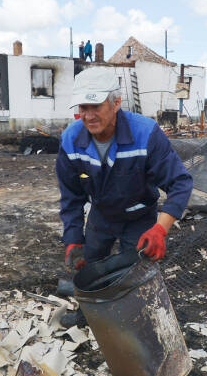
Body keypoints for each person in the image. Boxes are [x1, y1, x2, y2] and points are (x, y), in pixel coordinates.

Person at [56, 67, 192, 326]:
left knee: (136, 273)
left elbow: (180, 183)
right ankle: (90, 317)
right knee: (91, 269)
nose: (88, 115)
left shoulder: (146, 133)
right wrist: (73, 239)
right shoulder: (71, 140)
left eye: (95, 106)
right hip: (101, 215)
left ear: (116, 102)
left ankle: (137, 323)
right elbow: (71, 196)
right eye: (82, 107)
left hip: (140, 216)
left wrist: (160, 230)